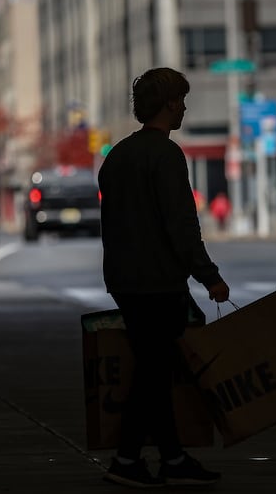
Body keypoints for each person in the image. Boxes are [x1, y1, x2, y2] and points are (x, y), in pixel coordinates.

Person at [98, 67, 230, 488]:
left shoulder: (117, 155)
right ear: (170, 104)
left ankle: (170, 458)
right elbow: (180, 224)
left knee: (153, 369)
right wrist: (209, 276)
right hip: (157, 281)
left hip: (124, 279)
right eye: (182, 101)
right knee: (153, 372)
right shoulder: (166, 155)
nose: (185, 108)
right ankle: (127, 459)